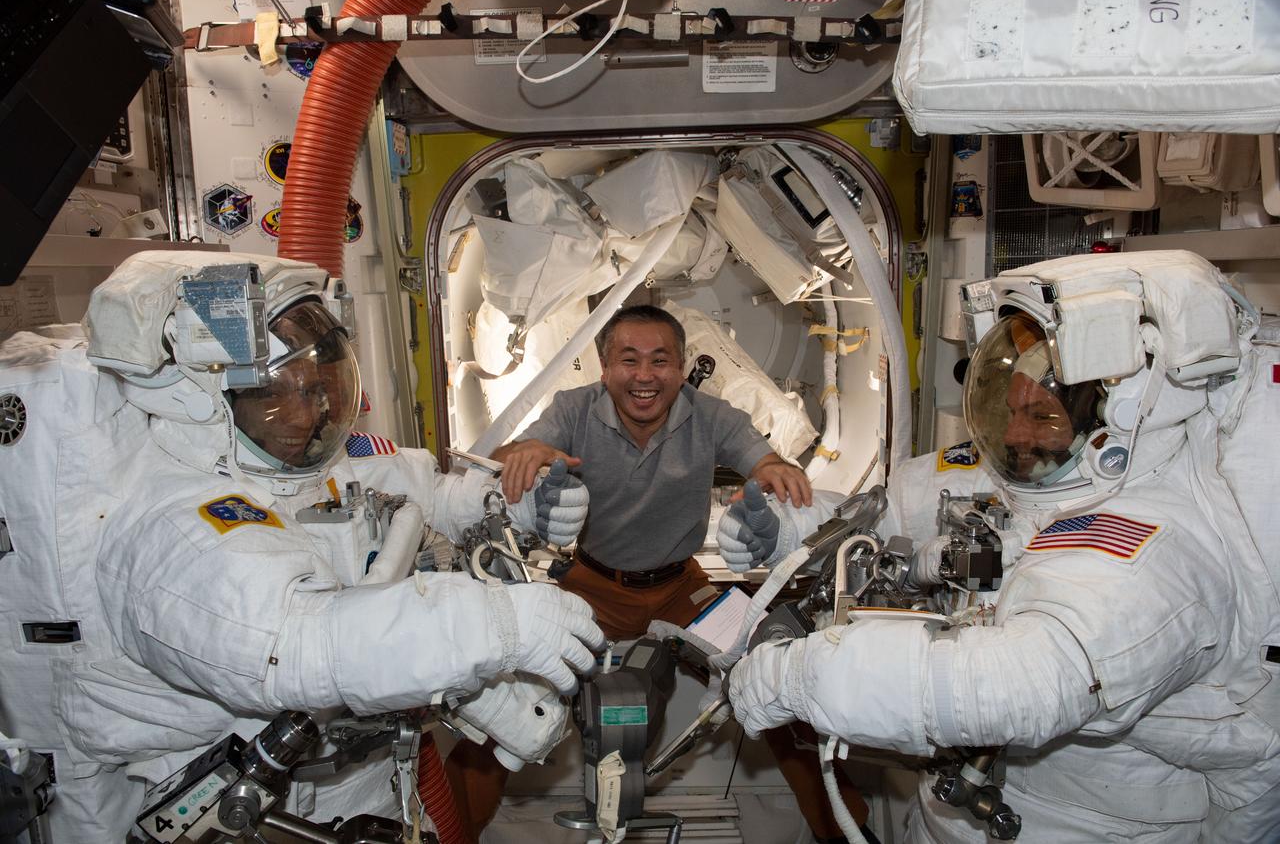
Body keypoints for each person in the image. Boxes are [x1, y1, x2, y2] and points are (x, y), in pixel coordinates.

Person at [0, 251, 605, 842]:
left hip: (368, 786)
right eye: (275, 394)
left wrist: (515, 503)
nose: (306, 412)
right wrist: (490, 625)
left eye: (318, 388)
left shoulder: (302, 468)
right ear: (205, 400)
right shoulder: (176, 526)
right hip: (270, 810)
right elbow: (300, 642)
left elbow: (423, 492)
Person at [721, 251, 1280, 843]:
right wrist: (789, 531)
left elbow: (1023, 684)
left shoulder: (1155, 545)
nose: (1014, 434)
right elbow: (881, 521)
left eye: (1040, 416)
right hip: (950, 811)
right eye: (1011, 411)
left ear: (1112, 418)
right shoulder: (1012, 476)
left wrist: (805, 677)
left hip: (1079, 825)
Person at [446, 304, 876, 844]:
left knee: (778, 685)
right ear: (605, 368)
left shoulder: (712, 415)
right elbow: (512, 454)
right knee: (509, 704)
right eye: (629, 360)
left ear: (680, 367)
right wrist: (526, 451)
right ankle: (454, 833)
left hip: (683, 588)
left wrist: (775, 472)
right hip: (593, 588)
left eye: (660, 360)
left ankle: (848, 834)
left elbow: (763, 460)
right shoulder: (573, 410)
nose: (644, 375)